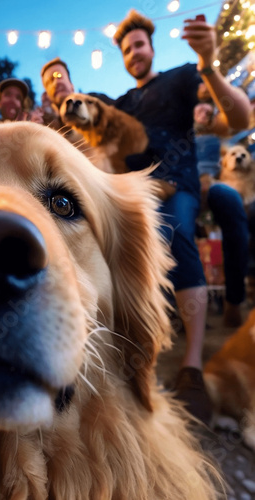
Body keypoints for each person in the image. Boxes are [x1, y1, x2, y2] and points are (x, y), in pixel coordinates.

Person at [111, 9, 250, 424]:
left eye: (139, 44)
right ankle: (127, 351)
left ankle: (190, 365)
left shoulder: (183, 76)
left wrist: (208, 63)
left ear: (151, 47)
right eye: (127, 49)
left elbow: (239, 118)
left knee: (173, 229)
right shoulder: (120, 104)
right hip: (133, 190)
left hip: (178, 185)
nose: (134, 53)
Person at [194, 84, 248, 328]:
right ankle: (185, 306)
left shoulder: (220, 127)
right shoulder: (177, 126)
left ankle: (233, 300)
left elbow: (238, 119)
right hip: (182, 186)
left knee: (231, 200)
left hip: (215, 185)